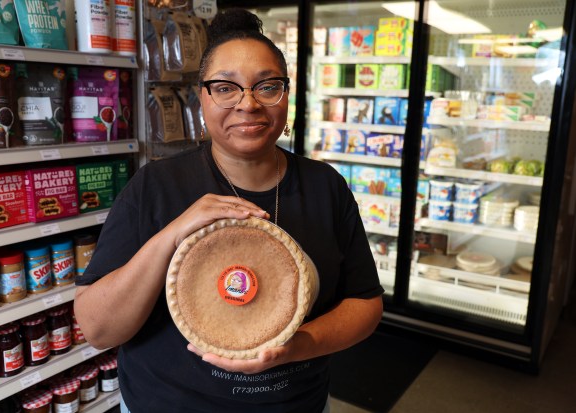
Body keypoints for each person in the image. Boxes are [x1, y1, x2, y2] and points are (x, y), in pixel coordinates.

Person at [74, 8, 383, 413]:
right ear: (202, 96)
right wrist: (176, 231)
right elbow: (98, 329)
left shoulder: (326, 187)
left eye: (267, 86)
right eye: (225, 87)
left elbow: (365, 304)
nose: (248, 104)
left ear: (286, 94)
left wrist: (294, 348)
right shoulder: (155, 188)